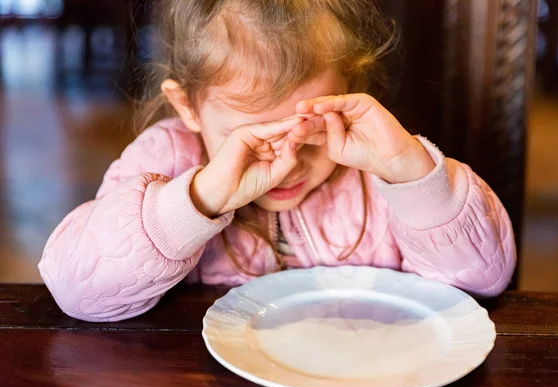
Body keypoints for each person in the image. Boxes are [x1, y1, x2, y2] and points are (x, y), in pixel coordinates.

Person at [39, 0, 516, 322]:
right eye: (251, 140)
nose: (286, 163)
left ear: (352, 93)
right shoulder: (164, 160)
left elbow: (484, 279)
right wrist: (196, 201)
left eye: (309, 134)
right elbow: (78, 292)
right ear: (187, 106)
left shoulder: (379, 165)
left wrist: (412, 174)